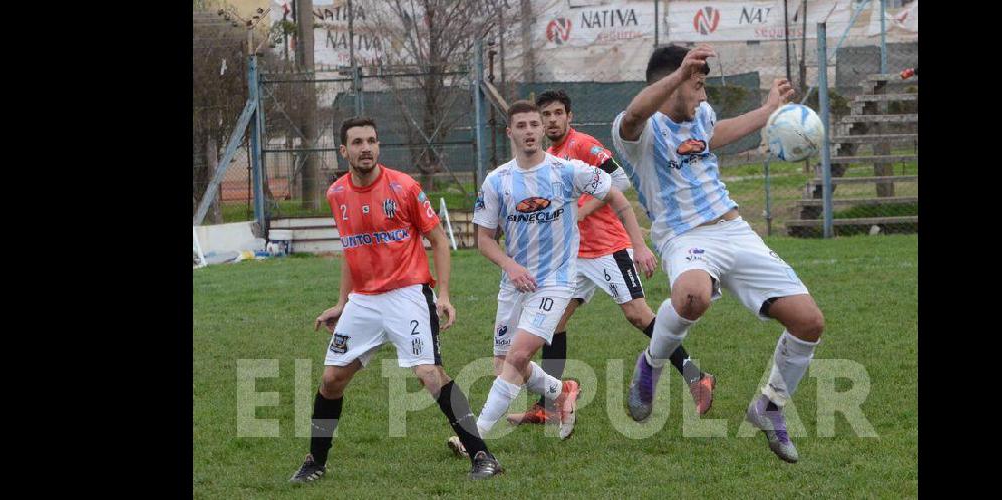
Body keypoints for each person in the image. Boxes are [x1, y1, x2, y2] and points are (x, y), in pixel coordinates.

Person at [612, 45, 826, 464]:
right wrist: (680, 77)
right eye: (698, 84)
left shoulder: (701, 115)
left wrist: (768, 110)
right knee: (693, 296)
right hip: (682, 234)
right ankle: (652, 363)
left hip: (735, 230)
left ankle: (769, 406)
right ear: (670, 83)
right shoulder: (637, 130)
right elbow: (636, 115)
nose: (704, 95)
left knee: (809, 322)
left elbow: (717, 133)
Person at [289, 117, 502, 483]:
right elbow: (350, 250)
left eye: (371, 140)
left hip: (408, 294)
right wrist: (342, 303)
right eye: (357, 142)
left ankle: (483, 456)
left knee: (429, 374)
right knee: (331, 379)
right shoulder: (336, 194)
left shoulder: (404, 187)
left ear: (378, 146)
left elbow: (438, 240)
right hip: (364, 300)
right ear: (344, 151)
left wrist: (445, 294)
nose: (366, 148)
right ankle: (315, 463)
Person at [449, 100, 657, 455]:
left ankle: (475, 437)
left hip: (556, 282)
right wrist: (511, 267)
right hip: (514, 285)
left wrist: (639, 246)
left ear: (542, 131)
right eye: (522, 125)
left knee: (516, 357)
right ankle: (562, 392)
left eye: (535, 124)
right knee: (505, 362)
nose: (530, 130)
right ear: (510, 132)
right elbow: (484, 240)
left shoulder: (567, 171)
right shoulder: (497, 181)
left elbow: (619, 197)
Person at [505, 89, 715, 427]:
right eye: (546, 115)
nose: (553, 120)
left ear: (569, 117)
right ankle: (548, 405)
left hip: (607, 249)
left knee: (637, 315)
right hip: (572, 257)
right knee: (553, 323)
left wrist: (587, 213)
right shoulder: (549, 156)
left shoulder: (582, 145)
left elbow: (620, 179)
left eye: (559, 113)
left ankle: (697, 376)